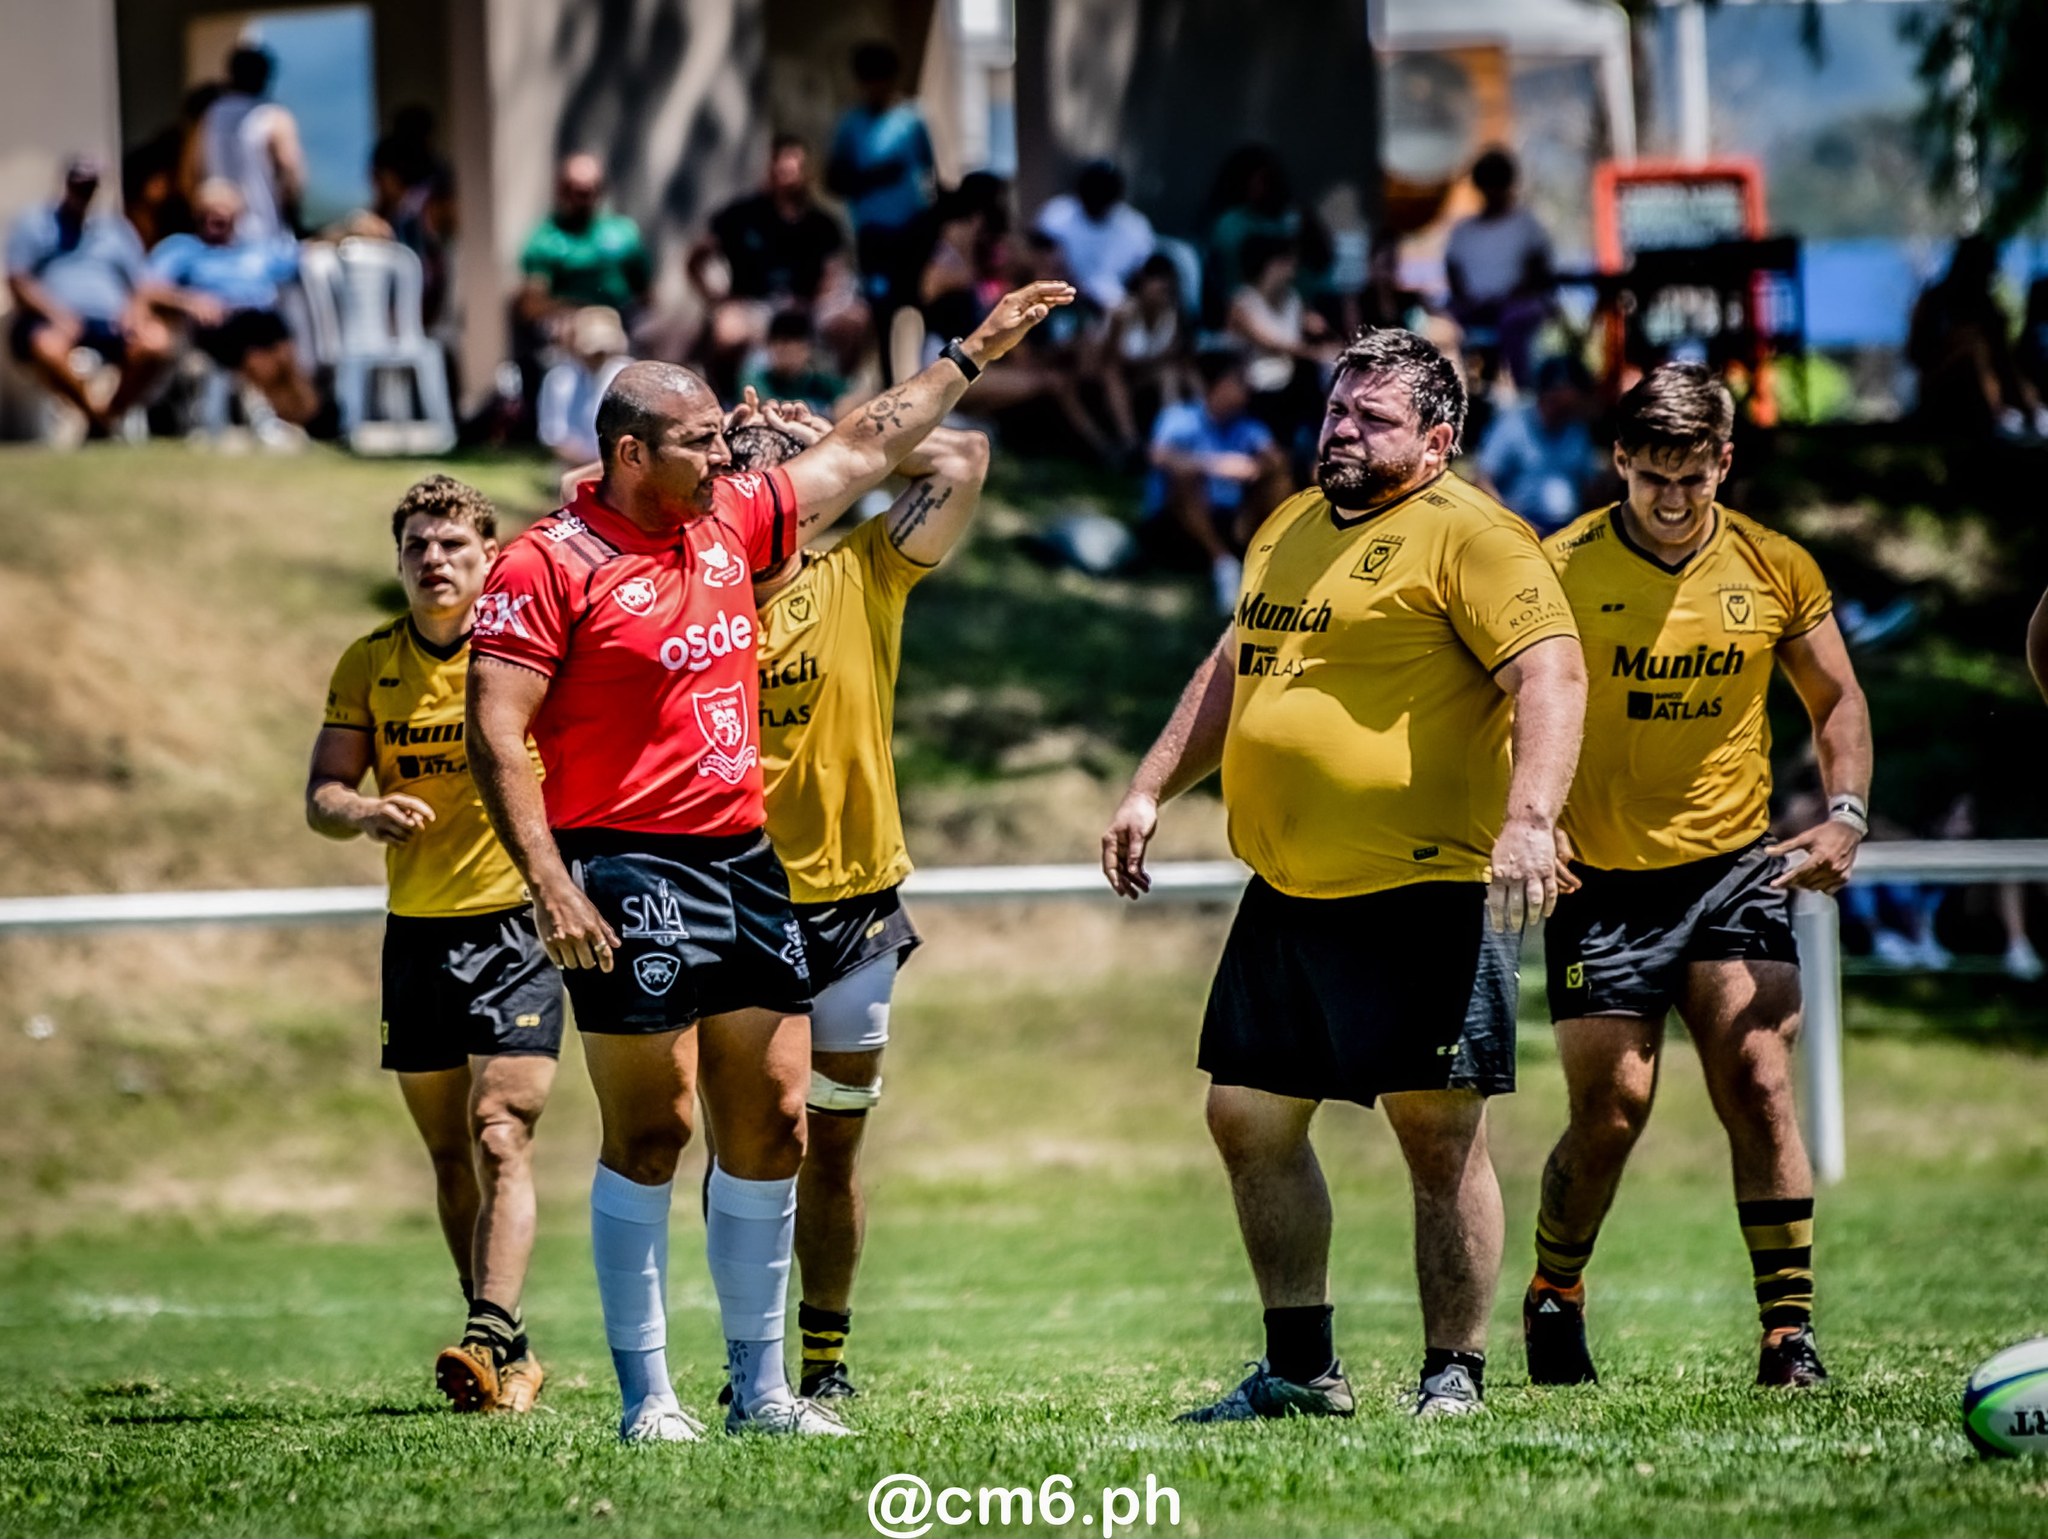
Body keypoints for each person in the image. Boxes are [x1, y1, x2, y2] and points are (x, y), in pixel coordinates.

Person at [464, 279, 1073, 1442]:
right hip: (622, 863)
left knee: (780, 1124)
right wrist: (548, 882)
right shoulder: (549, 561)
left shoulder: (729, 522)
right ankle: (650, 1398)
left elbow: (859, 448)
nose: (721, 458)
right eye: (699, 444)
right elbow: (495, 730)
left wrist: (970, 352)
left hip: (744, 859)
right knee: (655, 1130)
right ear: (632, 452)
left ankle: (763, 1391)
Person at [1102, 327, 1586, 1420]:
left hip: (1419, 890)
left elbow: (1550, 673)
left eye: (1371, 419)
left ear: (1436, 438)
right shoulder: (1288, 522)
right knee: (1246, 1118)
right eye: (1336, 411)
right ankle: (1300, 1371)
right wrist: (1147, 789)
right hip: (1288, 893)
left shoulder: (1474, 538)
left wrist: (1529, 817)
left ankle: (1451, 1376)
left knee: (1433, 1131)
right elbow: (1234, 666)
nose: (1341, 432)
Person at [1526, 362, 1873, 1391]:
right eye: (1651, 481)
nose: (1673, 504)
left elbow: (1835, 699)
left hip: (1731, 867)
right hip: (1601, 882)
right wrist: (1525, 821)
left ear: (1724, 462)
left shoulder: (1773, 567)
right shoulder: (1553, 569)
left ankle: (1787, 1335)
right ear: (1618, 462)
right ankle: (1555, 1289)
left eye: (1694, 480)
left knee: (1759, 1081)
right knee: (1612, 1108)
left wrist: (1843, 815)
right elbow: (1499, 703)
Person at [706, 407, 990, 1401]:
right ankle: (752, 1363)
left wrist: (843, 435)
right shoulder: (688, 601)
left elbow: (962, 456)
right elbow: (591, 484)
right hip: (734, 901)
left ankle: (821, 1363)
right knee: (753, 1143)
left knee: (831, 1146)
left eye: (782, 480)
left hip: (855, 911)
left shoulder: (861, 571)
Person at [306, 475, 564, 1416]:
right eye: (417, 544)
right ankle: (504, 1342)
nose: (434, 559)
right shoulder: (369, 661)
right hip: (416, 934)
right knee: (450, 1154)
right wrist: (365, 809)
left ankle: (489, 1334)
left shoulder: (526, 653)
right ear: (399, 557)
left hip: (517, 926)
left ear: (488, 556)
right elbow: (323, 793)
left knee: (502, 1130)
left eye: (453, 544)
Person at [5, 156, 176, 438]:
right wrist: (57, 315)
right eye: (79, 185)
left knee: (156, 342)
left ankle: (107, 417)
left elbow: (142, 285)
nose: (83, 192)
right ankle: (100, 420)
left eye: (90, 186)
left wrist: (135, 313)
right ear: (66, 184)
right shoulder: (35, 224)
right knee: (48, 347)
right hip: (53, 322)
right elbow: (17, 280)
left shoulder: (115, 230)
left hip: (110, 324)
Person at [689, 136, 867, 386]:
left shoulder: (822, 223)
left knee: (852, 322)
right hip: (754, 306)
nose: (787, 174)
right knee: (727, 331)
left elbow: (832, 273)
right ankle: (727, 399)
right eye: (780, 166)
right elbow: (697, 257)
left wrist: (816, 303)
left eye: (794, 168)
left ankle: (836, 393)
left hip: (807, 307)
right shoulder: (740, 215)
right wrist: (716, 298)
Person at [148, 178, 318, 429]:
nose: (216, 218)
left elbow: (305, 251)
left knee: (282, 354)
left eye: (223, 212)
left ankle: (304, 418)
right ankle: (284, 420)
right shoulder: (182, 249)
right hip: (217, 326)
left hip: (264, 322)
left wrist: (349, 229)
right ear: (198, 213)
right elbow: (148, 290)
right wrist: (190, 301)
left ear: (238, 216)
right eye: (209, 212)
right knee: (259, 355)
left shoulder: (256, 251)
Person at [1140, 349, 1290, 613]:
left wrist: (1257, 468)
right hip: (1175, 522)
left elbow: (1275, 458)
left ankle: (1265, 563)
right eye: (1239, 381)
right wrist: (1215, 465)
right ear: (1218, 384)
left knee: (1279, 479)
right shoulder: (1179, 417)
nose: (1248, 389)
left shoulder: (1249, 428)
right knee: (1184, 476)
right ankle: (1223, 566)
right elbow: (1158, 456)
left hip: (1228, 518)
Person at [827, 40, 938, 354]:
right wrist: (874, 176)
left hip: (913, 231)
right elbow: (834, 180)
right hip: (873, 234)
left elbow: (931, 173)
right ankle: (890, 381)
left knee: (920, 306)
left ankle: (926, 374)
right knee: (880, 311)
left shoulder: (912, 119)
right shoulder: (851, 125)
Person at [1907, 235, 2046, 438]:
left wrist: (2029, 408)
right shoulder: (1936, 304)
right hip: (1944, 401)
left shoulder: (1989, 310)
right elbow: (1916, 355)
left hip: (1993, 411)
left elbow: (2005, 364)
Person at [1445, 149, 1554, 390]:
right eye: (1487, 185)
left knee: (1513, 319)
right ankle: (1463, 393)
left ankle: (1524, 391)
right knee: (1442, 326)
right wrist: (1470, 301)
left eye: (1498, 184)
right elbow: (1453, 274)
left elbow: (1538, 274)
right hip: (1473, 309)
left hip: (1516, 308)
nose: (1492, 192)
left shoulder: (1527, 225)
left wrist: (1507, 298)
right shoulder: (1462, 232)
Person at [517, 154, 652, 330]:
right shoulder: (545, 240)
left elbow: (645, 294)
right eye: (576, 191)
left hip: (622, 326)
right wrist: (578, 312)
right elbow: (532, 304)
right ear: (561, 190)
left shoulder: (623, 233)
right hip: (567, 331)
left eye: (589, 190)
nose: (582, 199)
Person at [1225, 234, 1335, 448]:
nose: (1293, 270)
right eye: (1287, 262)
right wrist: (1315, 353)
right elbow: (1269, 343)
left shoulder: (1292, 298)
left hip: (1291, 378)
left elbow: (1311, 327)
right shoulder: (1242, 302)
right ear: (1270, 264)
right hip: (1254, 380)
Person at [1473, 355, 1602, 536]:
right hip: (1518, 528)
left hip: (1568, 530)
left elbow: (1589, 488)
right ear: (1556, 390)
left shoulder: (1577, 429)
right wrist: (1516, 525)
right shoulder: (1513, 424)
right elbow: (1482, 482)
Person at [192, 41, 305, 241]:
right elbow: (292, 175)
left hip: (218, 235)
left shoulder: (211, 116)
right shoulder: (274, 117)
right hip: (265, 233)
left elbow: (191, 175)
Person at [1033, 160, 1157, 312]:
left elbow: (1145, 278)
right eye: (1093, 189)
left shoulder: (1135, 227)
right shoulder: (1057, 215)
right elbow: (1037, 263)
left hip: (1117, 310)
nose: (1098, 197)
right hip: (1063, 303)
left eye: (1105, 191)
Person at [1102, 251, 1196, 448]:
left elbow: (1174, 353)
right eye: (1157, 285)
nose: (1161, 292)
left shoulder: (1173, 314)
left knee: (1170, 374)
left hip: (1150, 373)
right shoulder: (1121, 314)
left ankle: (1172, 436)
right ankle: (1129, 439)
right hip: (1123, 375)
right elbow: (1112, 357)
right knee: (1113, 374)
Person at [537, 306, 633, 467]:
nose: (598, 355)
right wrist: (592, 466)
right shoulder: (559, 380)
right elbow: (553, 435)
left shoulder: (629, 374)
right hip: (575, 469)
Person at [737, 310, 849, 418]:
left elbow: (846, 403)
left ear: (807, 348)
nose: (788, 354)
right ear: (769, 346)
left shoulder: (823, 382)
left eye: (794, 347)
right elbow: (763, 404)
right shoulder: (757, 380)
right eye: (781, 347)